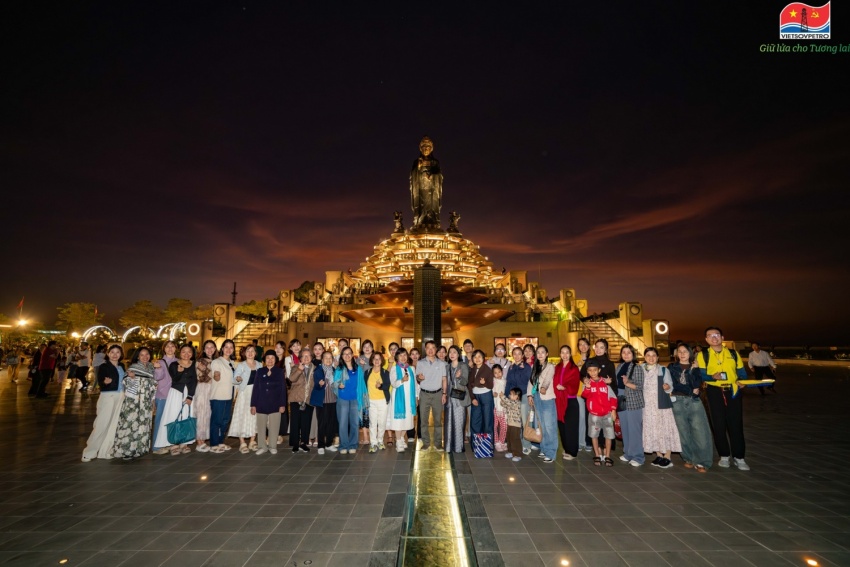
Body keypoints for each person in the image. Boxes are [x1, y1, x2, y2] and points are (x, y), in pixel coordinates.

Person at [697, 326, 749, 470]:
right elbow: (702, 374)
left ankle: (739, 457)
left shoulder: (733, 353)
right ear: (706, 339)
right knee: (718, 424)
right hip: (714, 391)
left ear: (722, 337)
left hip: (733, 391)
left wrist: (742, 381)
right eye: (710, 335)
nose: (714, 337)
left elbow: (742, 373)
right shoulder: (703, 355)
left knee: (736, 424)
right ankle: (724, 456)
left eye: (717, 334)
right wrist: (712, 377)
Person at [668, 344, 712, 472]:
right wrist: (690, 390)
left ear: (690, 353)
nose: (682, 354)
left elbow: (696, 384)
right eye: (680, 351)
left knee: (700, 432)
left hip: (693, 401)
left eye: (685, 351)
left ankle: (702, 461)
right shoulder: (672, 367)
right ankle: (689, 458)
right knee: (682, 432)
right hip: (677, 401)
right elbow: (674, 385)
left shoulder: (696, 367)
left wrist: (693, 370)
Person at [82, 344, 126, 462]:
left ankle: (106, 451)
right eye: (112, 352)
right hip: (108, 396)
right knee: (102, 424)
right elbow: (100, 381)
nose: (115, 355)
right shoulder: (104, 366)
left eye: (117, 352)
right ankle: (89, 452)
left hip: (120, 396)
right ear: (108, 354)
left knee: (113, 425)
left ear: (121, 354)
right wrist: (105, 382)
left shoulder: (121, 366)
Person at [113, 346, 157, 460]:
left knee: (143, 424)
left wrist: (153, 401)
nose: (145, 357)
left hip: (146, 402)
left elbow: (153, 387)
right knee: (130, 424)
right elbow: (126, 383)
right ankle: (127, 451)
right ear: (138, 356)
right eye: (142, 355)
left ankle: (139, 449)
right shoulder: (133, 368)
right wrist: (132, 378)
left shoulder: (151, 368)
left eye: (147, 354)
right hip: (133, 402)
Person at [153, 344, 198, 455]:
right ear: (180, 353)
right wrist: (179, 371)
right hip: (176, 393)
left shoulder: (194, 364)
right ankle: (173, 443)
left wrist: (190, 396)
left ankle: (184, 443)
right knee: (173, 416)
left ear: (192, 353)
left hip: (188, 394)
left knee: (186, 416)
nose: (186, 354)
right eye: (183, 351)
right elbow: (175, 379)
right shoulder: (174, 364)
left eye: (189, 352)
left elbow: (194, 381)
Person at [642, 347, 680, 469]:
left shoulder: (663, 370)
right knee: (652, 430)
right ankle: (658, 454)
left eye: (654, 355)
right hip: (647, 407)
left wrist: (667, 387)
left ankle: (667, 456)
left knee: (665, 429)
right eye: (648, 355)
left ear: (658, 357)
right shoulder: (641, 369)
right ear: (644, 357)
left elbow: (670, 386)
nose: (651, 358)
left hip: (661, 406)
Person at [251, 350, 287, 455]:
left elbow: (283, 389)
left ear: (275, 360)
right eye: (268, 358)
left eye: (272, 358)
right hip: (261, 403)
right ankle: (262, 446)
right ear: (264, 360)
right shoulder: (260, 371)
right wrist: (253, 404)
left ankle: (272, 446)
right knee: (261, 426)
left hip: (275, 403)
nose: (270, 360)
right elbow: (255, 389)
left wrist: (282, 404)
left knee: (274, 426)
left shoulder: (279, 371)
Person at [333, 346, 367, 454]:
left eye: (349, 353)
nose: (347, 356)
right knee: (343, 423)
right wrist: (339, 385)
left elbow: (362, 383)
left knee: (355, 423)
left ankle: (353, 444)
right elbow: (334, 383)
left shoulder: (358, 369)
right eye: (345, 354)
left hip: (355, 399)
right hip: (343, 398)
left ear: (352, 355)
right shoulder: (339, 369)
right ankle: (343, 445)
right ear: (342, 356)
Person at [581, 360, 615, 466]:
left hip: (607, 413)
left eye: (595, 370)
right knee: (594, 435)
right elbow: (584, 395)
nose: (593, 372)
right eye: (590, 370)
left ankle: (607, 455)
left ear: (599, 370)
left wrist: (613, 410)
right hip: (594, 414)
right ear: (587, 371)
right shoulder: (587, 384)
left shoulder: (605, 383)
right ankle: (597, 454)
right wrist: (588, 388)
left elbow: (613, 397)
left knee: (609, 435)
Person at [617, 345, 646, 467]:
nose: (626, 354)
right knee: (625, 428)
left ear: (633, 354)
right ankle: (628, 453)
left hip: (633, 401)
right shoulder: (620, 366)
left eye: (629, 352)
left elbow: (640, 386)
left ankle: (638, 456)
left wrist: (627, 383)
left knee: (634, 429)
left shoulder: (637, 367)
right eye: (623, 352)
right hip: (621, 399)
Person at [415, 341, 447, 450]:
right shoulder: (420, 363)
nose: (430, 350)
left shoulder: (441, 364)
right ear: (425, 349)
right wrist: (419, 378)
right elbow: (417, 378)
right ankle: (426, 443)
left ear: (436, 349)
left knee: (438, 420)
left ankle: (438, 443)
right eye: (428, 347)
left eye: (433, 347)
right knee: (423, 420)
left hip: (438, 394)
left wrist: (444, 394)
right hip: (424, 394)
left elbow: (444, 379)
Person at [528, 345, 557, 463]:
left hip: (547, 397)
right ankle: (544, 449)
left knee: (549, 426)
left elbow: (548, 379)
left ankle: (551, 452)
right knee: (540, 425)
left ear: (547, 354)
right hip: (536, 397)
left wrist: (544, 387)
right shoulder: (534, 367)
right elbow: (531, 382)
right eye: (538, 352)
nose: (540, 354)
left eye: (543, 352)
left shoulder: (550, 366)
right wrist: (530, 395)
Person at [230, 345, 260, 453]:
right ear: (244, 353)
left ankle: (252, 441)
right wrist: (238, 378)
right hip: (244, 393)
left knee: (254, 416)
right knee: (242, 416)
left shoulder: (260, 365)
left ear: (255, 353)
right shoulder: (241, 365)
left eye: (252, 351)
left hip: (256, 393)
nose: (250, 353)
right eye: (248, 351)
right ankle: (242, 442)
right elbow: (234, 379)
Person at [387, 348, 418, 452]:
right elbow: (393, 383)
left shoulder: (411, 368)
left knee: (408, 421)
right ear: (397, 357)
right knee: (398, 421)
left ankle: (401, 438)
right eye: (400, 355)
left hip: (409, 399)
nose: (403, 357)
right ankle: (399, 441)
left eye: (405, 355)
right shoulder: (394, 368)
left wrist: (416, 397)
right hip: (398, 399)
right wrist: (402, 380)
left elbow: (415, 385)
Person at [553, 345, 581, 460]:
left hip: (570, 400)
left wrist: (565, 387)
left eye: (567, 352)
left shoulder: (574, 368)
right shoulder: (557, 367)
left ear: (570, 354)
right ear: (560, 354)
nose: (565, 355)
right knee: (562, 426)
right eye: (562, 352)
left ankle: (572, 451)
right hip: (559, 400)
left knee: (571, 427)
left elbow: (575, 384)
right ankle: (566, 448)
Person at [505, 346, 533, 455]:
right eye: (515, 354)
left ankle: (527, 444)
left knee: (524, 421)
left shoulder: (526, 367)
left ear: (522, 355)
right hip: (513, 398)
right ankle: (517, 444)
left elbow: (528, 381)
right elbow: (508, 383)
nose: (517, 356)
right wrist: (507, 396)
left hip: (524, 396)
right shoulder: (511, 367)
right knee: (515, 423)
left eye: (519, 354)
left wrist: (530, 395)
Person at [209, 340, 236, 453]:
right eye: (226, 347)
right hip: (218, 396)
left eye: (231, 347)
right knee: (217, 420)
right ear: (222, 349)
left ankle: (221, 442)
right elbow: (216, 375)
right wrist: (216, 375)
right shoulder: (217, 362)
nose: (228, 349)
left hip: (229, 395)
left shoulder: (232, 363)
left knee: (225, 420)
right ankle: (214, 444)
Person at [288, 349, 315, 453]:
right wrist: (299, 369)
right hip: (296, 398)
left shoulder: (315, 369)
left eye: (308, 356)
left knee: (306, 423)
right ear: (300, 358)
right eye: (304, 356)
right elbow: (291, 379)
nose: (306, 358)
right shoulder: (295, 367)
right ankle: (295, 444)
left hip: (308, 399)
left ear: (311, 357)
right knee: (295, 422)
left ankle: (303, 443)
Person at [444, 345, 470, 453]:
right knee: (449, 422)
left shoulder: (463, 365)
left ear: (458, 354)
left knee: (459, 423)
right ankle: (448, 446)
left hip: (459, 398)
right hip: (450, 398)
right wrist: (444, 394)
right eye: (450, 352)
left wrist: (459, 377)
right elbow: (445, 382)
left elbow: (465, 382)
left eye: (454, 352)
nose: (452, 354)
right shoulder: (447, 367)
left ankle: (458, 447)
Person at [366, 352, 390, 453]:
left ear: (382, 360)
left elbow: (387, 386)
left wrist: (380, 386)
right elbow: (364, 386)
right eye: (374, 359)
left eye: (379, 359)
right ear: (372, 360)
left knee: (382, 422)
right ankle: (373, 443)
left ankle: (380, 441)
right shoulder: (367, 372)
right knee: (372, 423)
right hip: (371, 401)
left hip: (382, 401)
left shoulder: (385, 373)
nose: (376, 361)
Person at [314, 351, 338, 454]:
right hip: (322, 401)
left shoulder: (334, 370)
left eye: (330, 358)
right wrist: (319, 384)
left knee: (331, 423)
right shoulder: (318, 370)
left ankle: (329, 443)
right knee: (322, 423)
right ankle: (320, 445)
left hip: (333, 400)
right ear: (322, 359)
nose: (328, 360)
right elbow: (315, 384)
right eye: (326, 358)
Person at [153, 341, 177, 441]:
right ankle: (157, 446)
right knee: (160, 421)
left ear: (175, 348)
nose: (170, 348)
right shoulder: (160, 362)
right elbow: (157, 377)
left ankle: (169, 443)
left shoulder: (179, 361)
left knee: (172, 420)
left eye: (172, 346)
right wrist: (158, 368)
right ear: (164, 348)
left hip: (175, 395)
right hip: (162, 395)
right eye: (167, 346)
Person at [193, 345, 215, 453]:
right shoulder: (200, 361)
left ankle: (203, 440)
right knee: (201, 414)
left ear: (215, 349)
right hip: (203, 389)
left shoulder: (216, 361)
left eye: (212, 347)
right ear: (204, 349)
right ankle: (199, 442)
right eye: (207, 347)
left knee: (207, 416)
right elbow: (200, 377)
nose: (209, 350)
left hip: (213, 390)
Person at [573, 337, 592, 452]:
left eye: (585, 344)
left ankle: (589, 441)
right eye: (580, 344)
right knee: (581, 418)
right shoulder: (574, 358)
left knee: (591, 418)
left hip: (592, 393)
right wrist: (578, 368)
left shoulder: (593, 358)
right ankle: (581, 442)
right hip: (579, 392)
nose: (583, 347)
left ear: (589, 346)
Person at [501, 388, 524, 461]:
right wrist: (502, 399)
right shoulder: (510, 402)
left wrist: (503, 397)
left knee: (515, 439)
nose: (510, 395)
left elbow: (509, 403)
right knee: (509, 438)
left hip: (516, 425)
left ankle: (517, 454)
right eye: (510, 394)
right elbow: (503, 404)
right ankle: (511, 451)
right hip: (510, 424)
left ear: (517, 396)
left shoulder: (517, 403)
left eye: (512, 394)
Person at [491, 364, 507, 452]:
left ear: (502, 372)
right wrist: (493, 393)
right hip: (495, 406)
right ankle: (496, 442)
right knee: (494, 425)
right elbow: (490, 390)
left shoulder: (505, 382)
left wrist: (503, 395)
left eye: (499, 372)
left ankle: (501, 441)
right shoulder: (493, 382)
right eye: (495, 373)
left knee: (504, 426)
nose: (498, 374)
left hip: (503, 407)